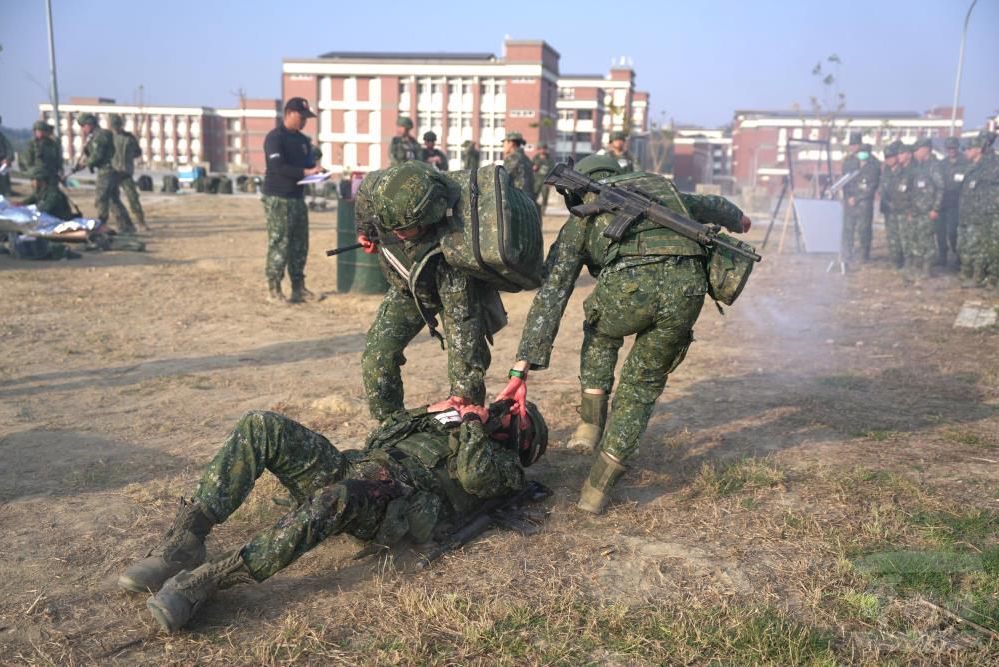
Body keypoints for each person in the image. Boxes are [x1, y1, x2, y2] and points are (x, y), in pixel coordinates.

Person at [117, 397, 548, 632]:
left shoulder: (505, 467)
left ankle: (210, 581)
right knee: (261, 424)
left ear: (522, 439)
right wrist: (430, 411)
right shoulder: (452, 426)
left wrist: (474, 425)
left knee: (337, 497)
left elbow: (475, 475)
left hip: (390, 506)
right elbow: (379, 434)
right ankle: (185, 542)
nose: (503, 409)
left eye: (514, 416)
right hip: (355, 467)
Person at [497, 155, 751, 514]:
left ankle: (589, 424)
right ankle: (596, 491)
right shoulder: (661, 191)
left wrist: (520, 367)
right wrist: (739, 219)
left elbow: (553, 294)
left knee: (600, 333)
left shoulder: (584, 216)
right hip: (688, 290)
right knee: (641, 386)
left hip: (628, 288)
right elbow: (713, 205)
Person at [354, 161, 505, 421]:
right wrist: (366, 230)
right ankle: (389, 428)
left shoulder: (452, 249)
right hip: (407, 288)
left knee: (466, 386)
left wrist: (462, 390)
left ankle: (468, 433)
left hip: (451, 293)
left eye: (404, 228)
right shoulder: (378, 191)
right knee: (377, 356)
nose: (397, 234)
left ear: (425, 219)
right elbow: (364, 200)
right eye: (392, 228)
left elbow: (462, 324)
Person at [261, 97, 325, 303]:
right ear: (289, 113)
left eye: (307, 118)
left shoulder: (303, 141)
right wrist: (307, 171)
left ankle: (299, 288)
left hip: (298, 198)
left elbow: (309, 163)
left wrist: (317, 170)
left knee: (299, 244)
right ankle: (274, 288)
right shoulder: (275, 138)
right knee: (280, 243)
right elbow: (279, 167)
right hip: (278, 198)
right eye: (301, 116)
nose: (305, 121)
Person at [75, 113, 135, 233]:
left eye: (83, 126)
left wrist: (85, 164)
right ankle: (126, 226)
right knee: (113, 200)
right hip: (109, 171)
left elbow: (97, 155)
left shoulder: (100, 135)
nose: (82, 129)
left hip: (106, 172)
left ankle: (102, 226)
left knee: (101, 199)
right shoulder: (97, 135)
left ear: (88, 124)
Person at [957, 132, 998, 287]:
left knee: (980, 247)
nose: (966, 151)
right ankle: (973, 275)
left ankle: (979, 277)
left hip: (984, 214)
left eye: (969, 148)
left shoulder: (991, 166)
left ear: (978, 149)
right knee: (966, 246)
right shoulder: (970, 167)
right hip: (968, 213)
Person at [906, 138, 944, 276]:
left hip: (928, 210)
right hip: (917, 210)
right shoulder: (919, 166)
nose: (915, 152)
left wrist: (936, 208)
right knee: (916, 237)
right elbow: (914, 190)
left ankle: (928, 268)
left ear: (926, 149)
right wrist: (910, 209)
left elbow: (940, 188)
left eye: (917, 149)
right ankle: (918, 265)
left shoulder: (934, 166)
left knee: (927, 238)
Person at [840, 141, 880, 262]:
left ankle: (863, 255)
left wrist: (856, 198)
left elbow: (871, 187)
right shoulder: (852, 166)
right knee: (848, 229)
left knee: (864, 230)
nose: (861, 154)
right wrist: (848, 197)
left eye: (864, 152)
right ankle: (847, 253)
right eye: (860, 152)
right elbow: (845, 183)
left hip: (864, 204)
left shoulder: (873, 168)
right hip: (850, 203)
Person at [110, 114, 148, 231]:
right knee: (113, 200)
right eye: (114, 125)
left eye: (118, 125)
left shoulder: (129, 137)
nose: (116, 128)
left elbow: (138, 152)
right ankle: (121, 223)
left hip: (126, 173)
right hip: (112, 172)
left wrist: (128, 157)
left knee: (133, 198)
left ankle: (141, 222)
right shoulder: (108, 137)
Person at [939, 136, 970, 269]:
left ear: (957, 148)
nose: (951, 151)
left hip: (957, 202)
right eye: (949, 148)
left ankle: (957, 256)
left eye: (953, 148)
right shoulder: (942, 164)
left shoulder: (966, 163)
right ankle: (942, 257)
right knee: (939, 231)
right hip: (942, 201)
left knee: (952, 231)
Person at [878, 141, 905, 268]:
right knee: (891, 235)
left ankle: (902, 260)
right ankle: (894, 259)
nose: (889, 160)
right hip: (887, 208)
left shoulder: (902, 170)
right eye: (887, 158)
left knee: (901, 234)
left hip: (899, 208)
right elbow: (882, 187)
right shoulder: (886, 171)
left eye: (891, 157)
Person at [19, 120, 63, 187]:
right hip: (38, 175)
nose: (41, 133)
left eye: (43, 131)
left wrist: (60, 169)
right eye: (39, 131)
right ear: (35, 132)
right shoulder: (31, 144)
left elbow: (57, 158)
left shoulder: (52, 144)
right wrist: (34, 172)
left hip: (51, 174)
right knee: (39, 192)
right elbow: (27, 162)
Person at [531, 143, 555, 215]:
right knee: (534, 195)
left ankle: (542, 212)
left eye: (544, 149)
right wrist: (534, 168)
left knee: (545, 196)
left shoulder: (549, 159)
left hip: (545, 181)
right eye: (541, 149)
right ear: (538, 150)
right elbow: (531, 167)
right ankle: (533, 210)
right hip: (536, 180)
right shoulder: (536, 158)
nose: (542, 150)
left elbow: (552, 171)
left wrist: (551, 182)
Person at [0, 115, 14, 196]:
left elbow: (10, 150)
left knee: (3, 191)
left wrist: (7, 159)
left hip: (1, 167)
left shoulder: (1, 138)